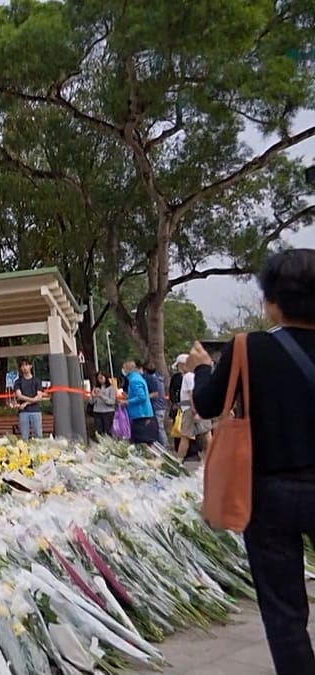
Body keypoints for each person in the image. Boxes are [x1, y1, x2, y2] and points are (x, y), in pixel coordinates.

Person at [190, 248, 315, 673]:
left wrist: (203, 368)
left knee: (285, 613)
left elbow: (206, 406)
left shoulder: (250, 349)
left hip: (268, 494)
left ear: (271, 300)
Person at [121, 359, 158, 445]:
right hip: (141, 413)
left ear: (129, 368)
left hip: (140, 414)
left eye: (124, 368)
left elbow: (141, 397)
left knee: (141, 441)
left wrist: (127, 402)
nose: (123, 370)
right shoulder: (137, 378)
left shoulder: (134, 380)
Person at [13, 360, 45, 440]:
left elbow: (39, 397)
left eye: (26, 365)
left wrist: (26, 403)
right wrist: (33, 399)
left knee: (38, 435)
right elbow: (19, 396)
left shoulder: (37, 381)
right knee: (24, 437)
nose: (25, 368)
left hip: (36, 411)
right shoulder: (18, 382)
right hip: (24, 413)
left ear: (30, 366)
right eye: (22, 366)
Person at [90, 372, 117, 437]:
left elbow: (112, 401)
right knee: (99, 432)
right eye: (98, 378)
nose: (100, 379)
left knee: (107, 431)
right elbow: (91, 402)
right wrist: (93, 396)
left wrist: (101, 396)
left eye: (101, 377)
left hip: (108, 412)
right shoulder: (95, 388)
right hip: (97, 412)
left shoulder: (111, 388)